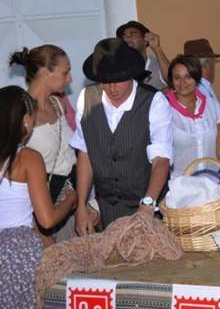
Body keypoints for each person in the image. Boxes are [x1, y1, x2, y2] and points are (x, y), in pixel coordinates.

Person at [70, 38, 173, 232]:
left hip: (148, 205)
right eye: (105, 81)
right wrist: (81, 206)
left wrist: (148, 204)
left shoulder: (154, 101)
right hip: (107, 209)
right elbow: (85, 153)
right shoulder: (86, 99)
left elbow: (161, 159)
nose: (111, 88)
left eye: (118, 81)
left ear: (130, 75)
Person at [7, 45, 95, 242]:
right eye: (65, 72)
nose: (70, 79)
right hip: (42, 208)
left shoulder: (59, 104)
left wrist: (83, 202)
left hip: (73, 199)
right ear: (45, 73)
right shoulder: (20, 113)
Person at [0, 86, 77, 308]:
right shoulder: (28, 158)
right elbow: (47, 219)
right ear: (25, 120)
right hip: (18, 251)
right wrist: (71, 199)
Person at [164, 55, 220, 178]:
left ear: (197, 78)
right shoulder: (165, 110)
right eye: (177, 78)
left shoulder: (212, 105)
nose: (182, 83)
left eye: (188, 77)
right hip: (180, 185)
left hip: (212, 183)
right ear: (171, 81)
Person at [183, 38, 220, 162]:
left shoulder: (205, 88)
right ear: (207, 64)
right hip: (215, 163)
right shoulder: (198, 92)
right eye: (213, 63)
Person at [116, 20, 169, 90]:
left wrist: (156, 48)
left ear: (145, 41)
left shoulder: (158, 64)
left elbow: (171, 80)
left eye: (132, 34)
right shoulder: (119, 68)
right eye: (124, 37)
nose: (127, 39)